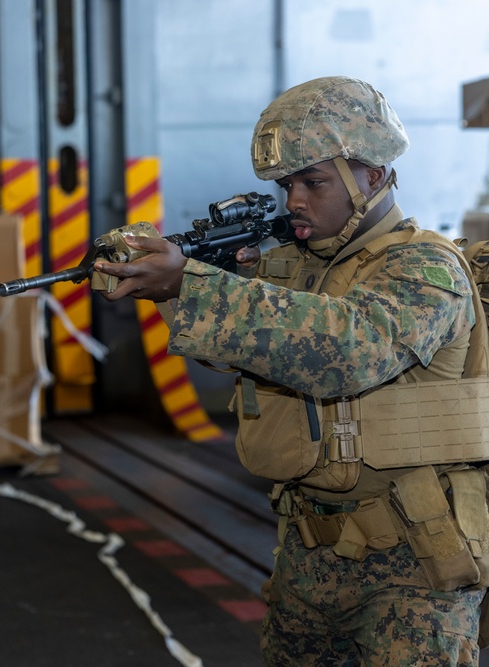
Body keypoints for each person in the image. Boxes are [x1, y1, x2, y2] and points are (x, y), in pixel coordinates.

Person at [94, 76, 489, 664]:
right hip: (309, 553)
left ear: (374, 176)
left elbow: (350, 350)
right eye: (287, 185)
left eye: (314, 181)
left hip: (413, 564)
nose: (295, 201)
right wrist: (166, 283)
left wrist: (192, 286)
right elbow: (236, 345)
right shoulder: (299, 265)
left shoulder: (424, 268)